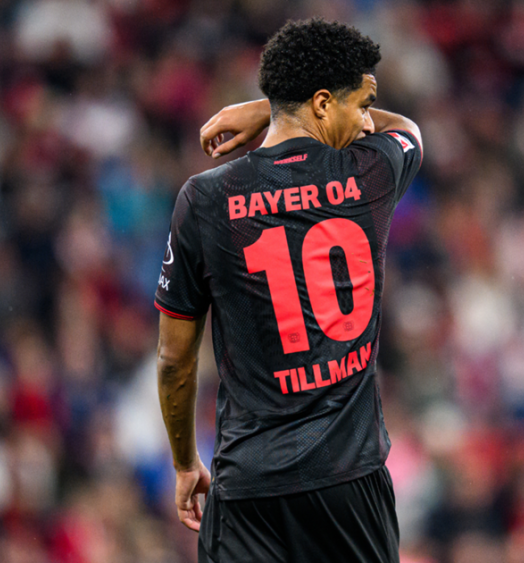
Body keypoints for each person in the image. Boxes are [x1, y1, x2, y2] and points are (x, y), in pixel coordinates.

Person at [154, 18, 422, 563]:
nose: (368, 120)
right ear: (323, 103)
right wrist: (269, 110)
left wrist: (186, 463)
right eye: (361, 104)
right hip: (349, 482)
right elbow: (410, 129)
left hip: (250, 484)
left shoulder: (204, 199)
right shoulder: (373, 173)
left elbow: (174, 360)